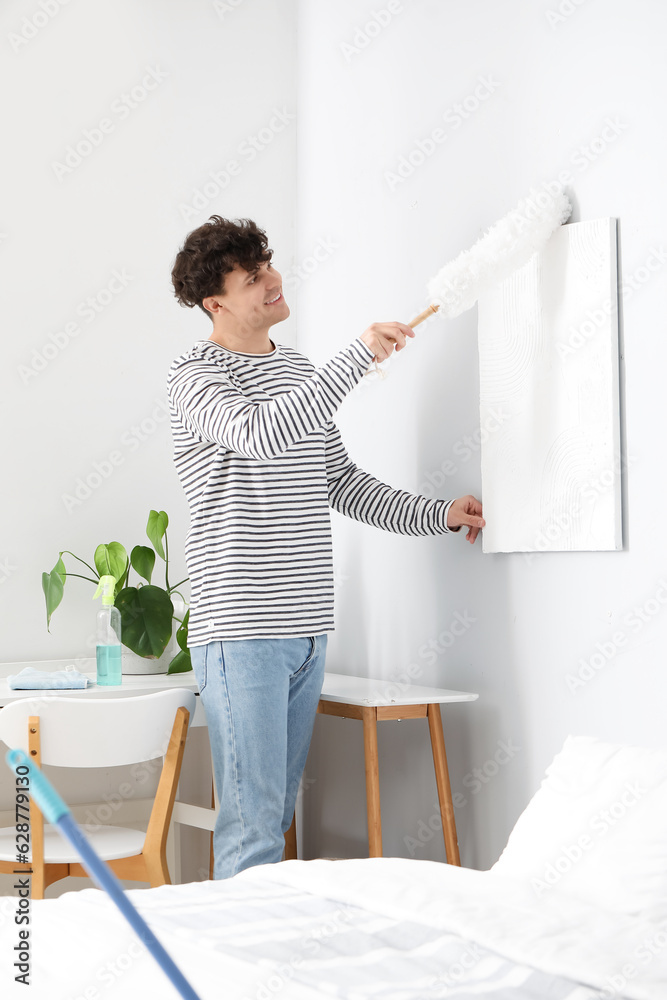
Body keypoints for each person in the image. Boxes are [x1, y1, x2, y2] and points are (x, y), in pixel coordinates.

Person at [166, 216, 485, 880]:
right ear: (214, 303)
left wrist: (439, 514)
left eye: (269, 265)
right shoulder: (194, 375)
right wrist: (358, 356)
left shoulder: (298, 371)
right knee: (251, 821)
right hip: (243, 628)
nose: (273, 281)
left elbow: (338, 481)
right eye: (252, 277)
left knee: (273, 815)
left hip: (306, 626)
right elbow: (258, 432)